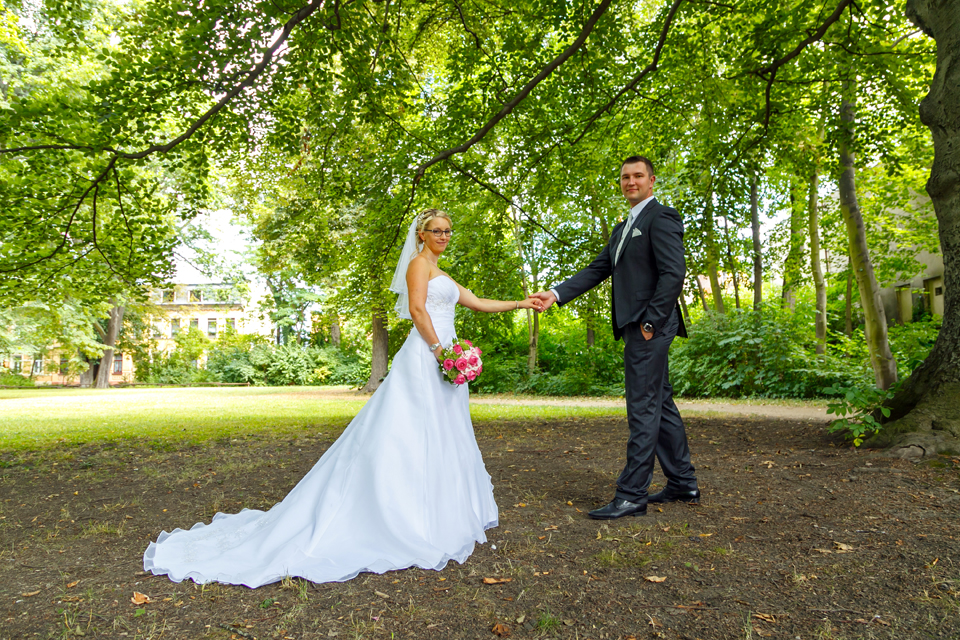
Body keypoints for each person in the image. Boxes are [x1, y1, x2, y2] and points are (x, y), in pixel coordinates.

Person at [143, 208, 542, 587]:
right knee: (409, 431)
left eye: (448, 231)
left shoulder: (442, 272)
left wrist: (523, 302)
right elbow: (419, 311)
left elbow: (477, 302)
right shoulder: (419, 265)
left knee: (445, 432)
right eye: (437, 230)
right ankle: (401, 515)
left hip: (445, 356)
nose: (444, 236)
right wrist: (442, 351)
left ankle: (440, 512)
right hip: (428, 356)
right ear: (421, 234)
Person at [530, 156, 699, 520]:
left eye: (638, 175)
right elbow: (599, 268)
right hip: (638, 325)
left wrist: (651, 322)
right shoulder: (622, 228)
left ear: (652, 181)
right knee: (660, 401)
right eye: (625, 177)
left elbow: (673, 273)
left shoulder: (662, 217)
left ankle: (632, 494)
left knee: (643, 406)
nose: (631, 181)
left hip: (649, 325)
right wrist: (556, 294)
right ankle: (683, 481)